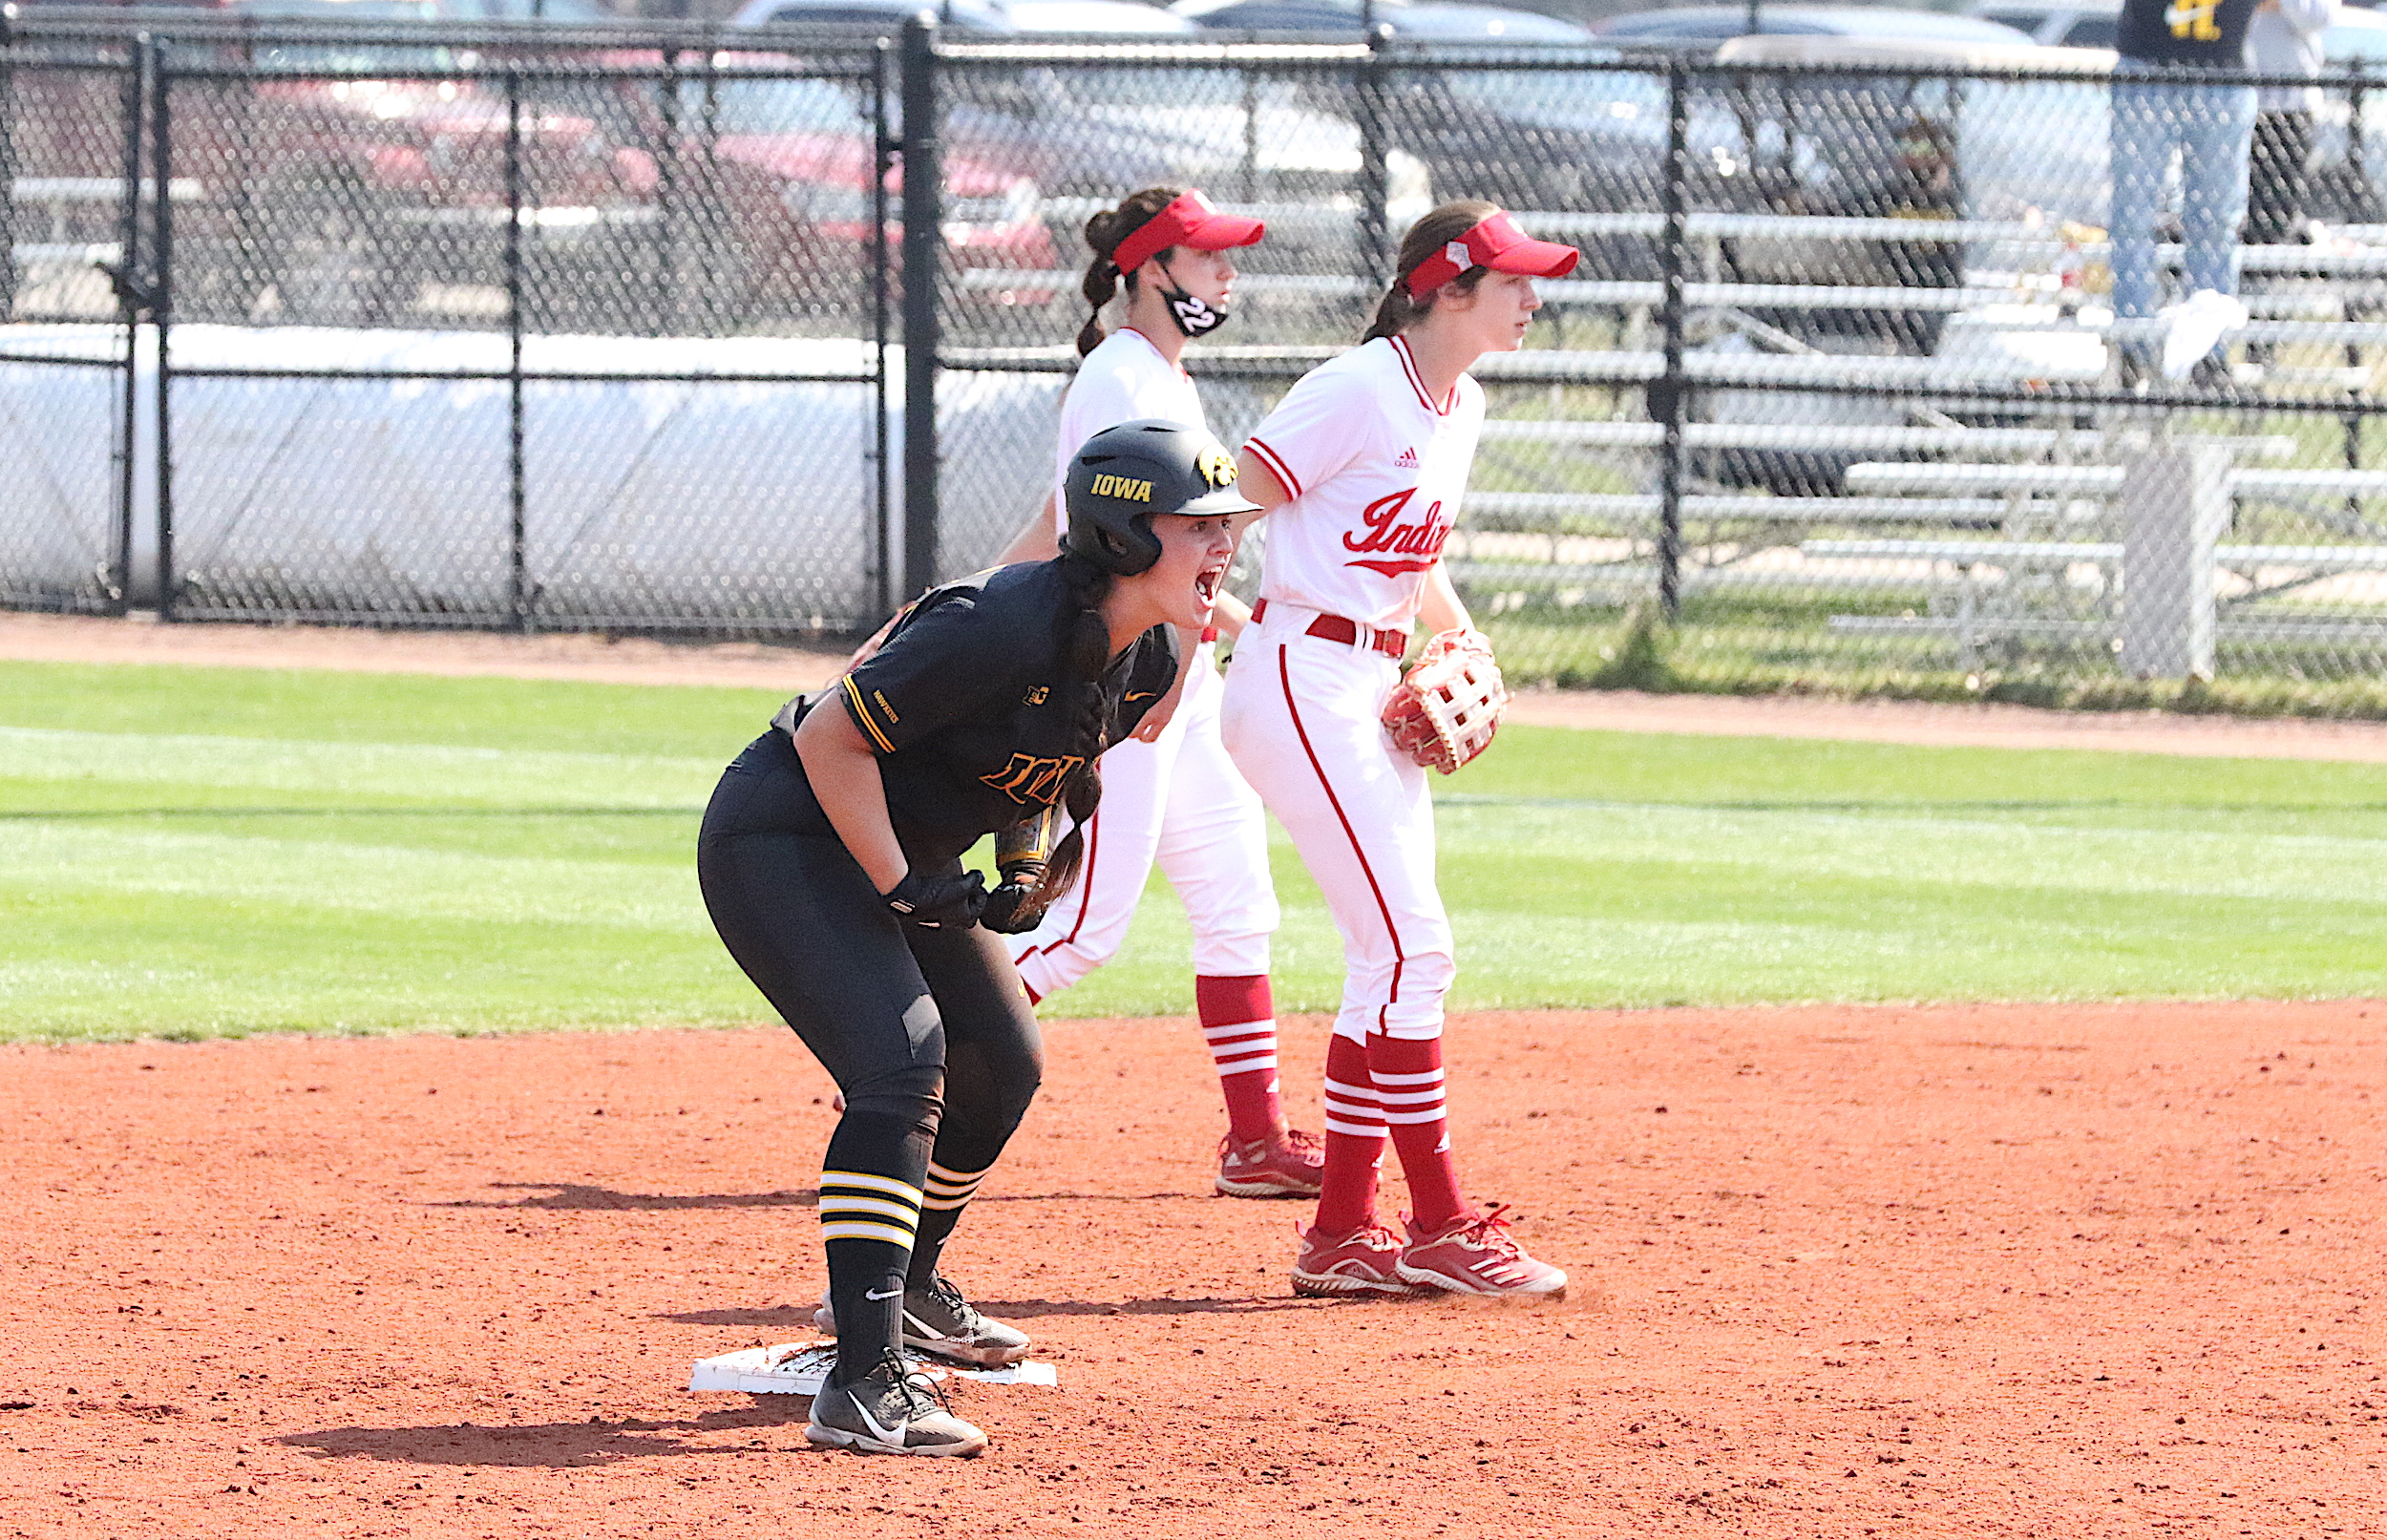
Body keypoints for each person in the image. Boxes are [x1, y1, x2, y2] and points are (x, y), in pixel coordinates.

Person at [696, 419, 1251, 1456]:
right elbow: (829, 737)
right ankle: (861, 1384)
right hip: (785, 834)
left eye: (1229, 526)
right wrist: (906, 882)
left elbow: (1048, 765)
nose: (1224, 544)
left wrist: (1024, 865)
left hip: (894, 845)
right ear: (1127, 533)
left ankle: (905, 1292)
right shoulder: (998, 622)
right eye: (1198, 525)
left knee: (1004, 1058)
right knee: (902, 1064)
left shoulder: (1154, 650)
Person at [1218, 201, 1574, 1300]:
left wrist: (1459, 634)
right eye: (1514, 280)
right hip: (1301, 676)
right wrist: (1201, 620)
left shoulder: (1457, 403)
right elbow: (1229, 502)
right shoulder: (1356, 388)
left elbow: (1411, 555)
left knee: (1388, 956)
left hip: (1365, 682)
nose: (1534, 297)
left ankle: (1340, 1234)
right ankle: (1438, 1219)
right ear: (1448, 286)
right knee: (1416, 948)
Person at [990, 186, 1325, 1201]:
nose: (1227, 274)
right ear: (1147, 269)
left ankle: (1255, 1138)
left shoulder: (1153, 377)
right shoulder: (1121, 375)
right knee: (1084, 924)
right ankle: (911, 1047)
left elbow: (1069, 511)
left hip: (1182, 671)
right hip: (1130, 674)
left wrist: (1235, 632)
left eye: (1227, 257)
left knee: (1236, 905)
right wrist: (1171, 670)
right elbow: (1112, 539)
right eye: (1205, 255)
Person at [2111, 0, 2262, 384]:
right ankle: (2134, 345)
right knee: (2132, 216)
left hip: (2222, 70)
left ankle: (2208, 351)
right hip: (2147, 66)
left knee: (2215, 222)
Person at [2244, 0, 2340, 245]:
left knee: (2277, 206)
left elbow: (2319, 17)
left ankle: (2266, 270)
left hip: (2290, 105)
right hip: (2229, 95)